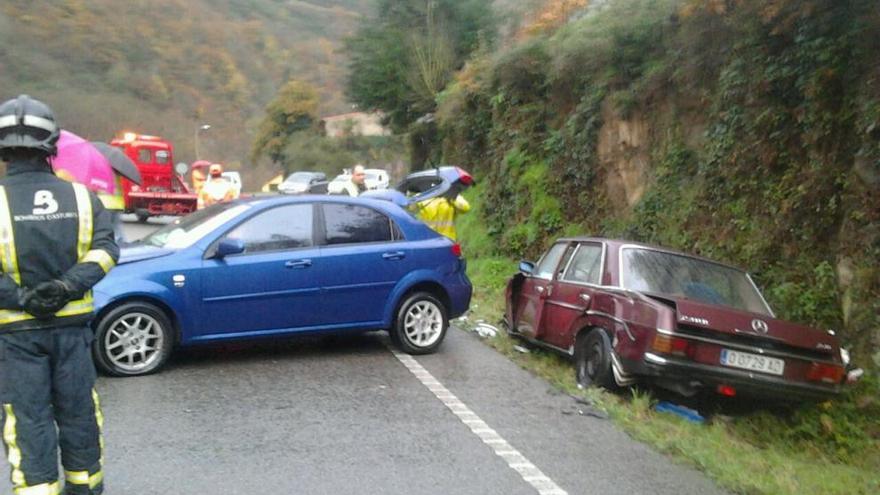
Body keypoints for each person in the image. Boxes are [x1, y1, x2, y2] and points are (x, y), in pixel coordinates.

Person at [0, 95, 119, 495]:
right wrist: (67, 286)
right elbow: (106, 251)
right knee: (80, 415)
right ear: (51, 143)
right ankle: (85, 488)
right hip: (72, 333)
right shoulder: (84, 198)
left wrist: (22, 298)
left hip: (16, 338)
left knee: (28, 422)